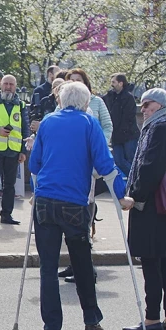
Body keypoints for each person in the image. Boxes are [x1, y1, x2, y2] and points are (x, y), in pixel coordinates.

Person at [29, 81, 132, 330]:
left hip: (45, 202)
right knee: (82, 263)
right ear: (86, 103)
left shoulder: (48, 122)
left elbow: (34, 163)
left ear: (61, 101)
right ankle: (91, 321)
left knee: (48, 267)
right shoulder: (88, 123)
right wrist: (121, 195)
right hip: (74, 203)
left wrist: (37, 189)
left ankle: (51, 326)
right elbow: (106, 165)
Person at [122, 88, 166, 330]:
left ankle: (151, 320)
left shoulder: (159, 129)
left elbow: (151, 168)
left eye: (147, 105)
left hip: (154, 205)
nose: (143, 109)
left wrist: (135, 197)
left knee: (152, 262)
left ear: (159, 106)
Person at [60, 69, 114, 282]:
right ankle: (74, 264)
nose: (73, 84)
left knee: (83, 216)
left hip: (89, 165)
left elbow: (107, 126)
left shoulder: (97, 104)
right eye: (70, 81)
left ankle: (84, 266)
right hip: (67, 169)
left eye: (77, 81)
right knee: (69, 220)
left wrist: (100, 142)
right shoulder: (62, 105)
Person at [0, 74, 30, 227]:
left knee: (10, 184)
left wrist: (23, 151)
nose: (8, 87)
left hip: (13, 150)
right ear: (0, 85)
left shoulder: (21, 105)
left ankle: (6, 215)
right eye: (6, 84)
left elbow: (25, 129)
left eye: (11, 84)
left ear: (15, 87)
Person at [102, 73, 140, 177]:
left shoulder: (128, 98)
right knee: (119, 161)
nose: (111, 85)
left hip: (129, 135)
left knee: (132, 160)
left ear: (121, 83)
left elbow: (128, 118)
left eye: (113, 82)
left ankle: (137, 180)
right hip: (116, 136)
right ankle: (135, 179)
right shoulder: (109, 97)